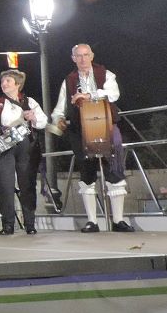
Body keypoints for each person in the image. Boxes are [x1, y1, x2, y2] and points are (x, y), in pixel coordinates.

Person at [51, 44, 133, 233]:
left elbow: (113, 94)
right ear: (73, 58)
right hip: (80, 130)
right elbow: (59, 108)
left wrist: (89, 95)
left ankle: (119, 220)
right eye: (78, 56)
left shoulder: (106, 74)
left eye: (86, 55)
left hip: (107, 125)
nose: (82, 59)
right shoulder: (69, 80)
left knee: (115, 170)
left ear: (92, 55)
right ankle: (92, 221)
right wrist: (59, 119)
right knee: (86, 174)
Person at [0, 69, 47, 235]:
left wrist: (33, 118)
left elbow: (43, 121)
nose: (4, 84)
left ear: (18, 84)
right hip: (2, 145)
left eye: (8, 81)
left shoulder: (29, 102)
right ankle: (8, 224)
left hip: (25, 146)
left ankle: (30, 223)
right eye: (2, 81)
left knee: (27, 184)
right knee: (5, 185)